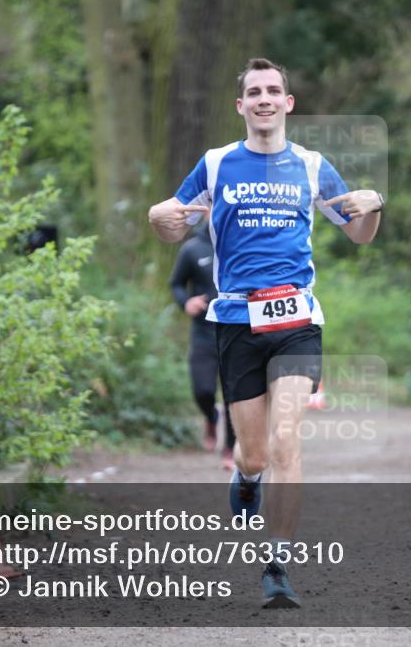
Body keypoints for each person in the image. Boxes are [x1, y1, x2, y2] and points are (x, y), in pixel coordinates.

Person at [148, 58, 384, 607]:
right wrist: (159, 216)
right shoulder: (213, 165)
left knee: (286, 442)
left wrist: (373, 206)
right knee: (252, 456)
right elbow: (171, 223)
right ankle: (246, 481)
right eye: (253, 92)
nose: (264, 99)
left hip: (298, 322)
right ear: (241, 105)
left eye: (274, 90)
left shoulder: (311, 166)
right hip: (235, 323)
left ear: (288, 102)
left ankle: (277, 565)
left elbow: (360, 235)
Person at [168, 221, 236, 470]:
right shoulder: (192, 248)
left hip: (237, 332)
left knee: (234, 395)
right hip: (203, 333)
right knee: (203, 390)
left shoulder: (241, 242)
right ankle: (210, 416)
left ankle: (230, 449)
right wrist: (186, 302)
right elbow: (175, 283)